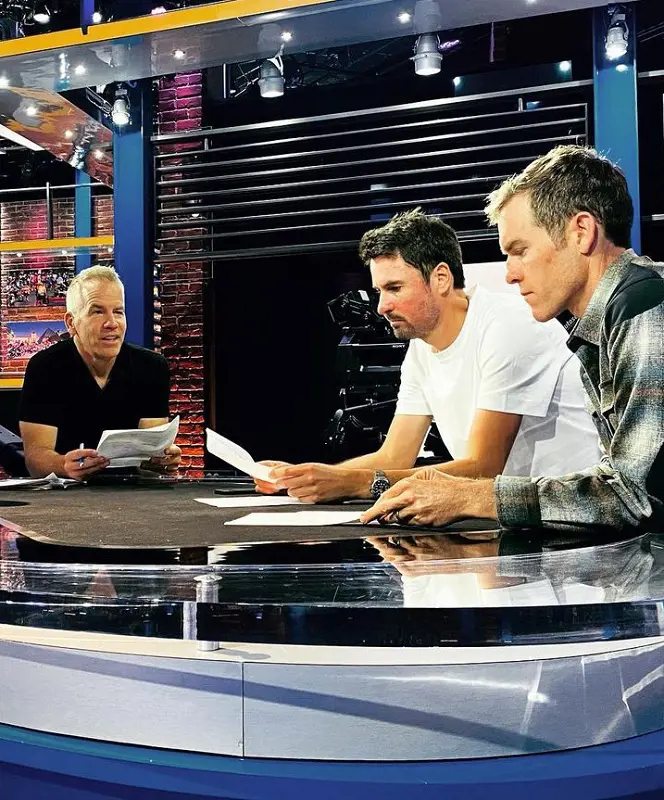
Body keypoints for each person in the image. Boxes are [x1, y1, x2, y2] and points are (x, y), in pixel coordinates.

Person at [362, 144, 664, 532]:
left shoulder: (642, 304)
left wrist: (472, 496)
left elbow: (635, 497)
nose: (510, 274)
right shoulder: (613, 313)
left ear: (582, 231)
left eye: (520, 251)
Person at [258, 208, 599, 503]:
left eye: (394, 288)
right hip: (500, 517)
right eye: (379, 291)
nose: (381, 306)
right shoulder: (422, 348)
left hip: (566, 530)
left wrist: (355, 483)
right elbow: (395, 455)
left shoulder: (507, 325)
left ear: (440, 278)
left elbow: (483, 466)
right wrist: (305, 478)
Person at [18, 265, 181, 480]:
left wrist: (162, 460)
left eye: (118, 312)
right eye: (97, 311)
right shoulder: (45, 367)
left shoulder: (152, 367)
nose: (112, 323)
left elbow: (150, 452)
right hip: (65, 495)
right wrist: (63, 465)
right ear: (71, 323)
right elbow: (35, 458)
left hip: (134, 495)